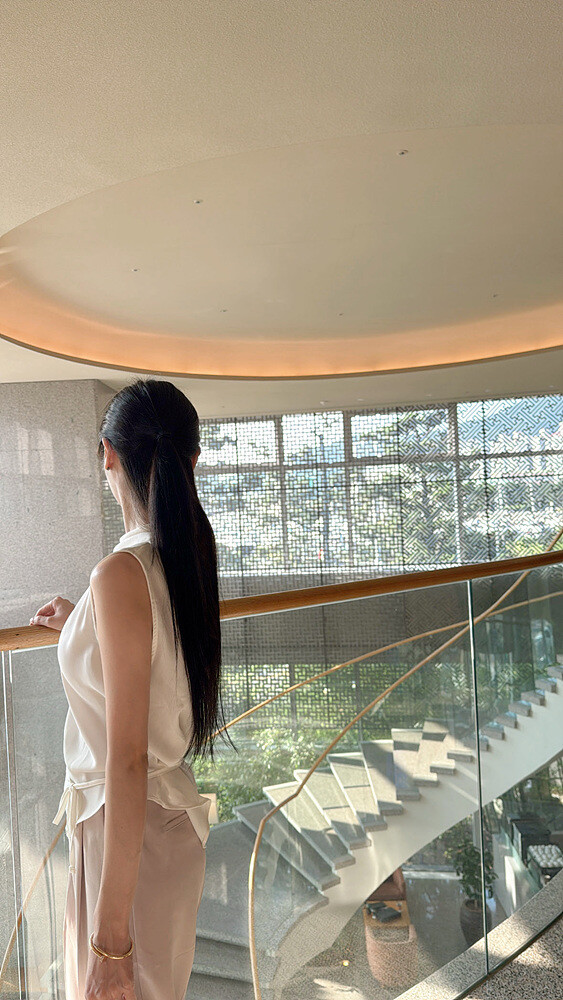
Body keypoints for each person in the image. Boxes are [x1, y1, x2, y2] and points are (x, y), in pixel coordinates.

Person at [30, 378, 232, 1000]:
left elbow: (126, 760)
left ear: (107, 454)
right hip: (165, 827)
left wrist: (110, 941)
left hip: (123, 834)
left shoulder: (121, 572)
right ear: (192, 461)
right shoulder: (185, 556)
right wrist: (82, 627)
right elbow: (155, 656)